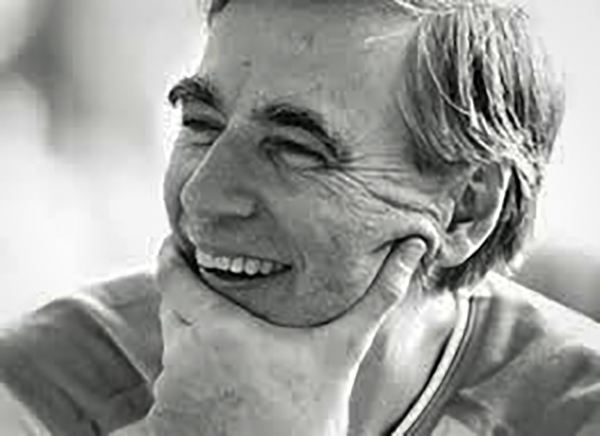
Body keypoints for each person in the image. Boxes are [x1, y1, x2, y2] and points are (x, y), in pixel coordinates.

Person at [1, 0, 599, 434]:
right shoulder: (41, 385)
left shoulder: (577, 407)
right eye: (201, 124)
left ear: (466, 208)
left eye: (296, 149)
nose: (202, 197)